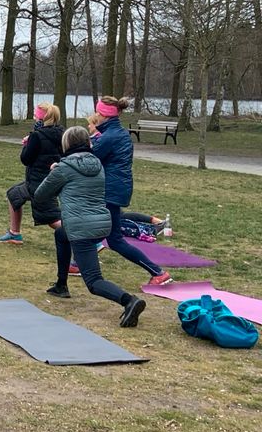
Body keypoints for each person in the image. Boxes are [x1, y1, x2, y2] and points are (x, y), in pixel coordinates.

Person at [35, 126, 147, 327]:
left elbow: (41, 194)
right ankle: (61, 285)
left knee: (94, 282)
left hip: (81, 228)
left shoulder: (63, 168)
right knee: (61, 234)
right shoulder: (98, 164)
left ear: (66, 144)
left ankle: (129, 301)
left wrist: (53, 172)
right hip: (102, 223)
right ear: (88, 143)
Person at [92, 96, 173, 285]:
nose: (95, 115)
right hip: (117, 189)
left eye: (98, 112)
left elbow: (91, 159)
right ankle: (77, 263)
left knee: (114, 240)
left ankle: (158, 272)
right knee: (98, 230)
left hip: (110, 191)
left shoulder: (109, 137)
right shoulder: (118, 133)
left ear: (104, 115)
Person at [0, 103, 63, 245]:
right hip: (48, 178)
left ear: (40, 118)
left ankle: (87, 240)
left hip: (39, 182)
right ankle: (14, 233)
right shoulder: (61, 133)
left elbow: (26, 159)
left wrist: (27, 145)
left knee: (51, 218)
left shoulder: (37, 136)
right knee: (14, 195)